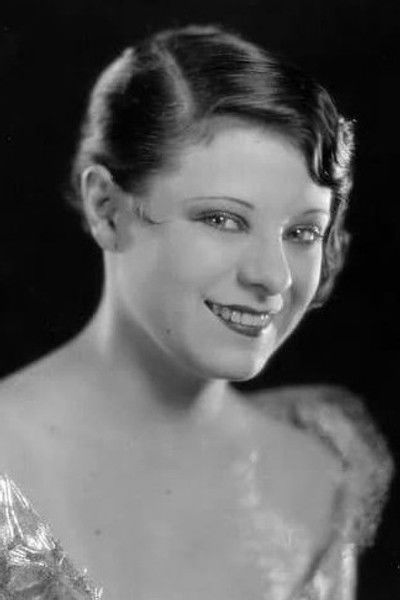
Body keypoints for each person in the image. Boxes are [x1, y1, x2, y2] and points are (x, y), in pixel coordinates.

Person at [0, 24, 393, 600]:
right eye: (223, 219)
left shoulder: (323, 469)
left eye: (303, 232)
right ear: (107, 209)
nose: (274, 277)